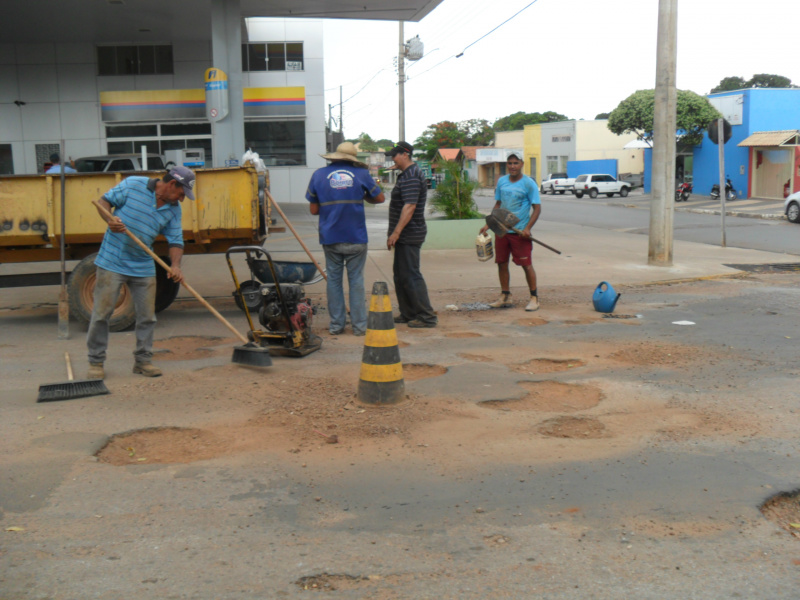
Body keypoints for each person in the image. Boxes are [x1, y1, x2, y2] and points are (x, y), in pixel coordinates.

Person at [86, 166, 196, 379]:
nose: (182, 199)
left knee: (147, 316)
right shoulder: (133, 184)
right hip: (112, 261)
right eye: (182, 194)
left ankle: (143, 361)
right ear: (172, 184)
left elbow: (175, 240)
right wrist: (109, 219)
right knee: (102, 313)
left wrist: (176, 266)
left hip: (143, 265)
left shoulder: (173, 209)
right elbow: (103, 202)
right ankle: (96, 361)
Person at [306, 142, 385, 336]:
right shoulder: (361, 175)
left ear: (333, 157)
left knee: (333, 281)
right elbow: (381, 198)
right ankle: (359, 327)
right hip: (356, 237)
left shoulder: (318, 175)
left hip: (330, 238)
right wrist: (363, 197)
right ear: (352, 159)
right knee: (356, 281)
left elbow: (314, 209)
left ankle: (336, 326)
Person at [480, 151, 542, 311]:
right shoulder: (501, 182)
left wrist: (528, 228)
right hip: (502, 230)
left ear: (521, 164)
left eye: (516, 163)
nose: (512, 166)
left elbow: (537, 208)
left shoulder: (529, 184)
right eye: (510, 163)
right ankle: (505, 296)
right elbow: (498, 205)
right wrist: (489, 224)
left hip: (520, 232)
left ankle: (534, 298)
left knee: (526, 265)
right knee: (501, 263)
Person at [386, 141, 437, 328]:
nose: (393, 159)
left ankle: (426, 316)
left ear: (405, 155)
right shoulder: (406, 174)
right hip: (404, 235)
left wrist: (396, 232)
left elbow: (410, 206)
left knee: (411, 274)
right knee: (400, 275)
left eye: (395, 155)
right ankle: (408, 313)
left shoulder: (412, 176)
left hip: (409, 233)